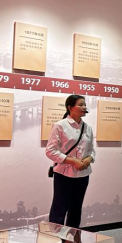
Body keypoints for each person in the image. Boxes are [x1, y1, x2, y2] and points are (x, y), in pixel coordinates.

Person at [46, 95, 95, 229]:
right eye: (80, 105)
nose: (84, 107)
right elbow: (50, 151)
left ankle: (72, 237)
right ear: (70, 107)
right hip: (64, 174)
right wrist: (73, 161)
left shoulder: (88, 128)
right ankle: (56, 238)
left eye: (84, 105)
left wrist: (89, 159)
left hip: (83, 174)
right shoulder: (59, 126)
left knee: (76, 208)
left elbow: (91, 150)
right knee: (59, 208)